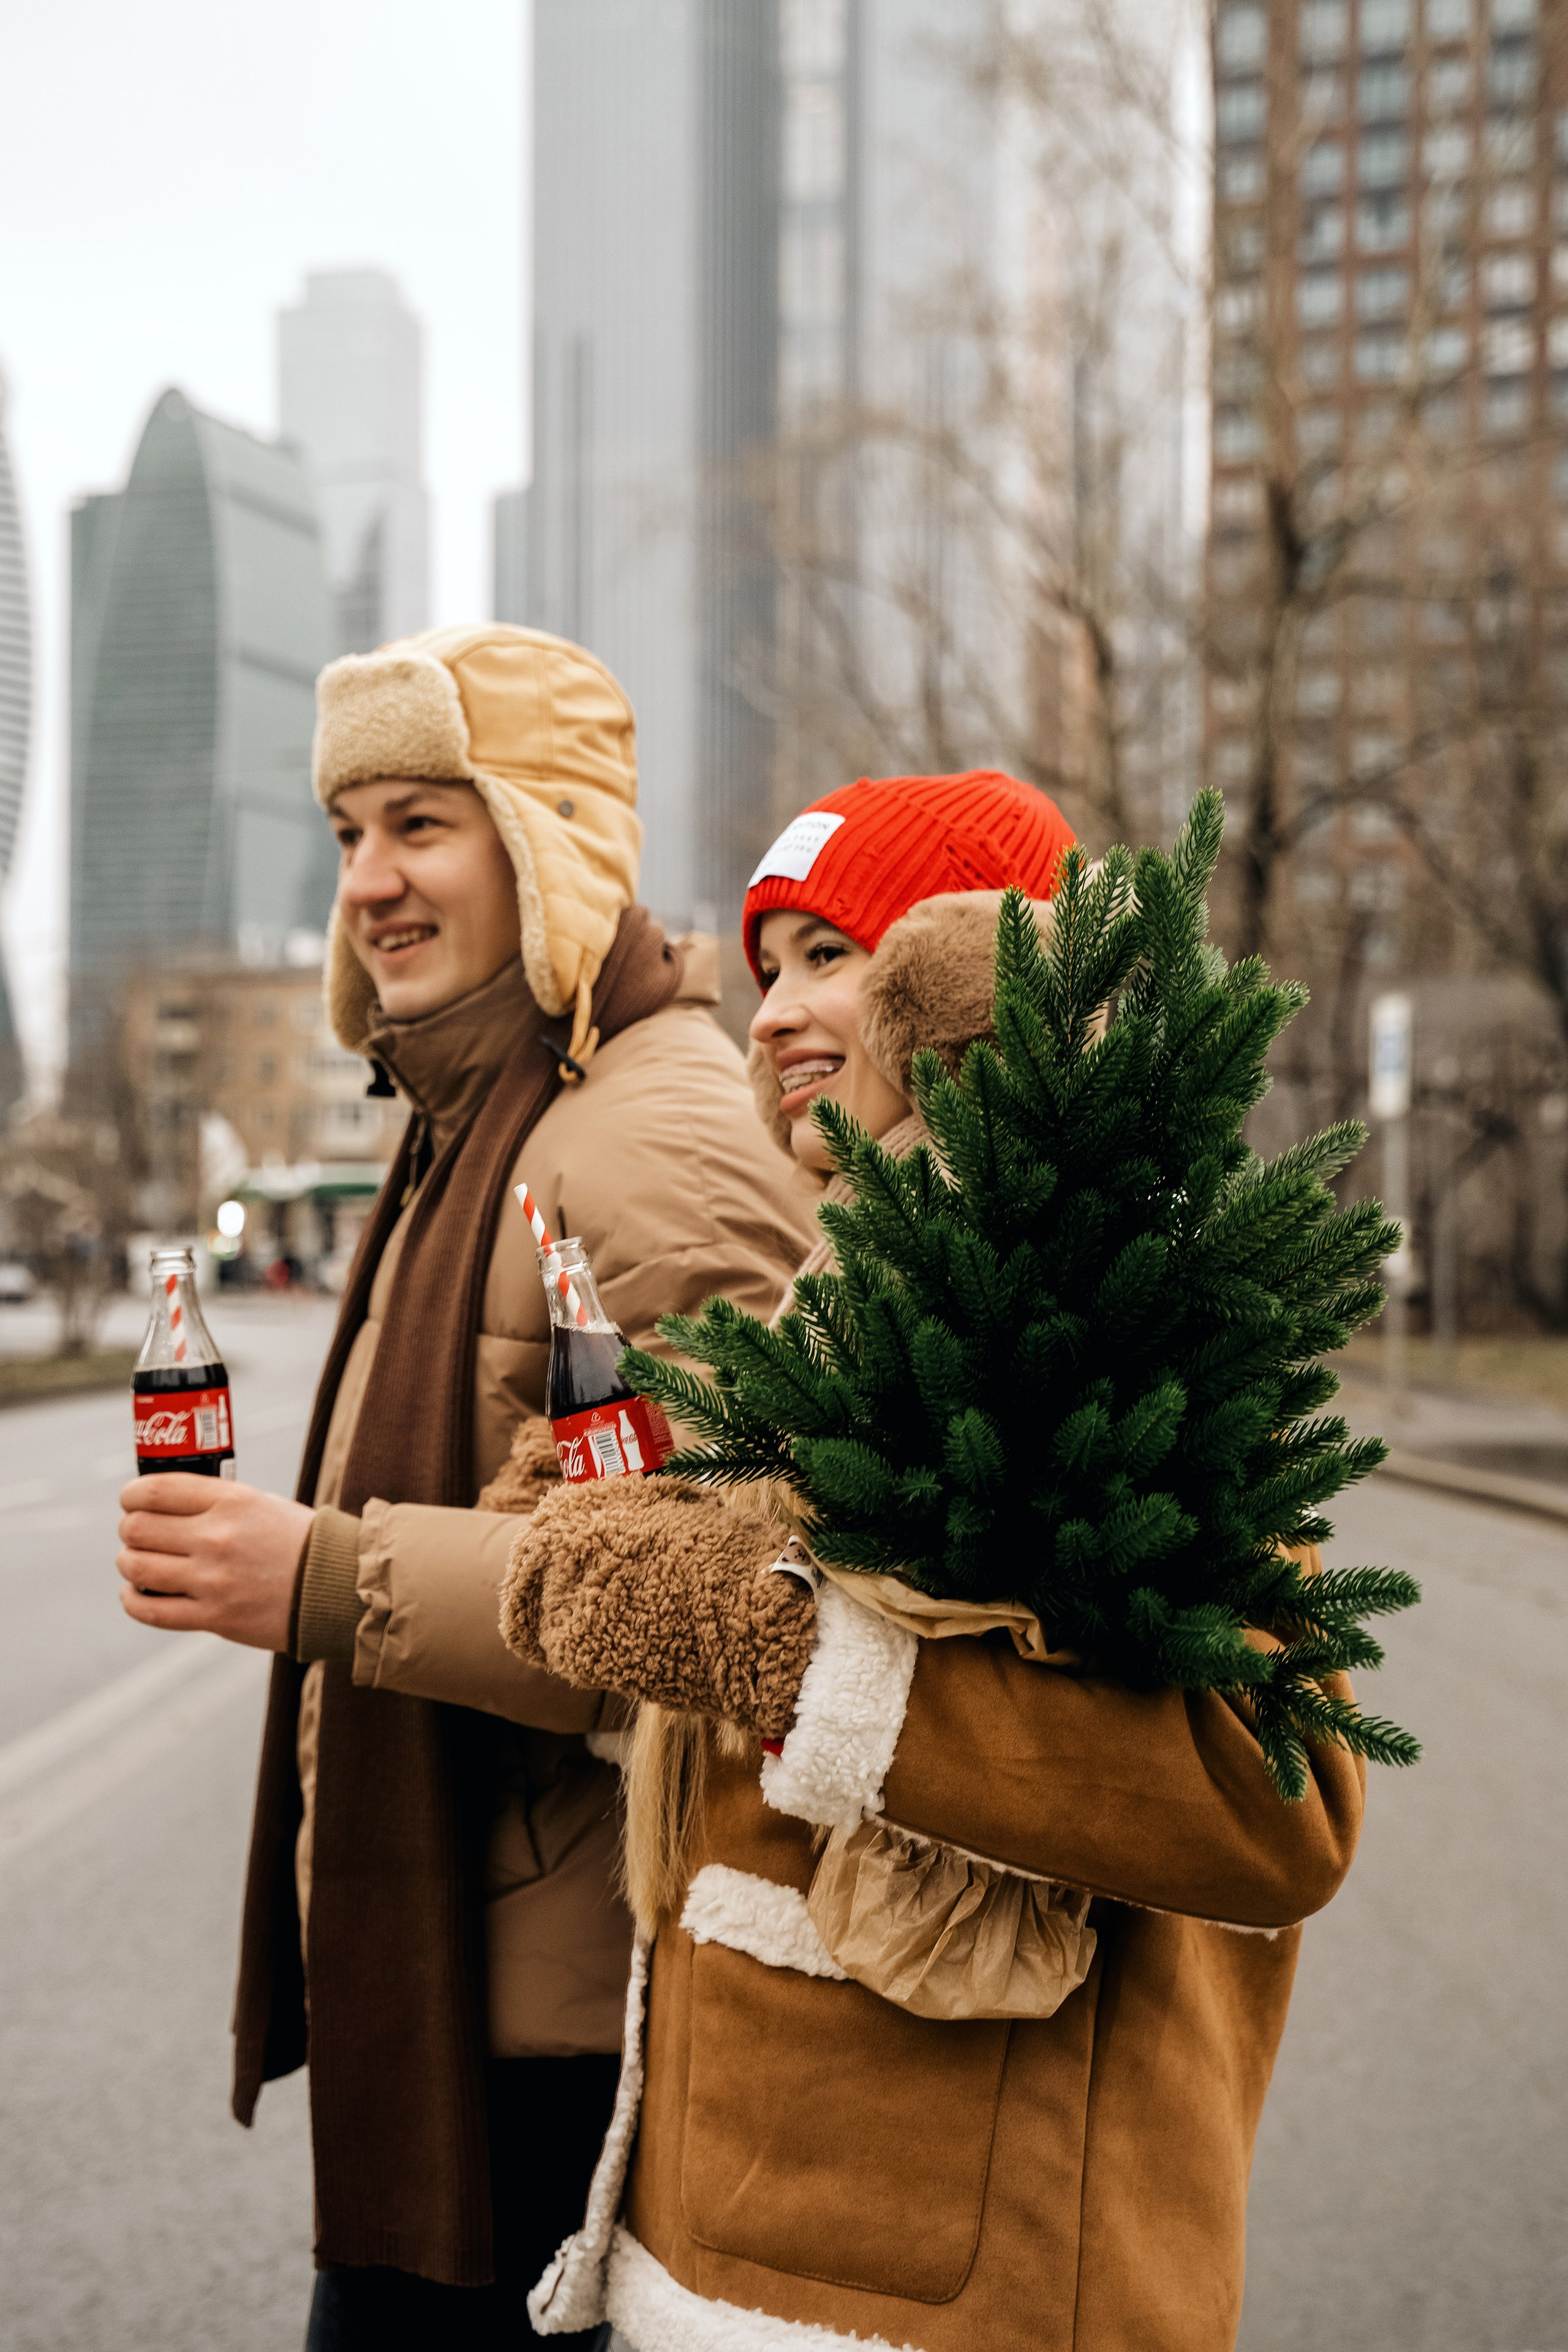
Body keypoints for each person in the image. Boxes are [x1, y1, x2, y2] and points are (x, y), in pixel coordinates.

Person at [496, 769, 1368, 2352]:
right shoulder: (831, 1308)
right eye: (768, 969)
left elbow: (1277, 1789)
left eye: (833, 954)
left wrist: (791, 1657)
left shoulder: (1119, 1308)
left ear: (976, 974)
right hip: (742, 2268)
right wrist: (637, 1543)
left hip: (969, 2301)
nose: (772, 1015)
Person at [115, 624, 816, 2348]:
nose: (370, 881)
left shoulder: (640, 1145)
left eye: (423, 823)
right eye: (350, 832)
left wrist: (321, 1578)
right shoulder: (473, 1123)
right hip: (475, 1997)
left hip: (567, 2047)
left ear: (549, 842)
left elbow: (725, 1609)